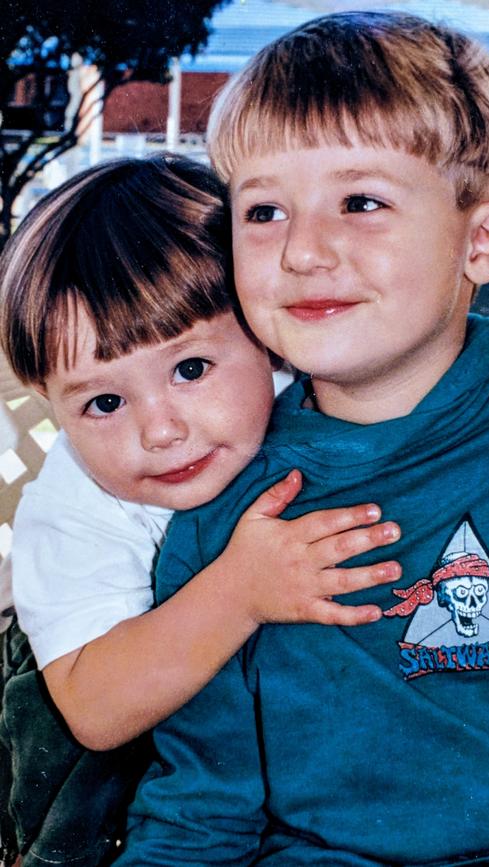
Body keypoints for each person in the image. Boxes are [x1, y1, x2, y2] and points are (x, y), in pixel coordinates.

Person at [117, 12, 489, 867]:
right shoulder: (223, 505)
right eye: (263, 211)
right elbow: (202, 806)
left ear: (482, 241)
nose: (302, 250)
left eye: (360, 201)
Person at [0, 154, 404, 866]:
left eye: (190, 369)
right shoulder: (75, 505)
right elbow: (94, 711)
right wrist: (239, 591)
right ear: (50, 404)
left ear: (264, 329)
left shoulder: (306, 388)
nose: (159, 430)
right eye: (104, 402)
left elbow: (432, 360)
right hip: (118, 798)